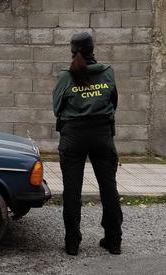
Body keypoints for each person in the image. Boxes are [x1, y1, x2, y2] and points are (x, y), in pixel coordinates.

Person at [52, 32, 122, 256]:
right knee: (108, 188)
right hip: (102, 134)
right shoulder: (107, 72)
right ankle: (114, 240)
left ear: (73, 51)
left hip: (73, 136)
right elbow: (114, 101)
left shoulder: (66, 76)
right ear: (93, 49)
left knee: (72, 191)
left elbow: (56, 107)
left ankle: (72, 243)